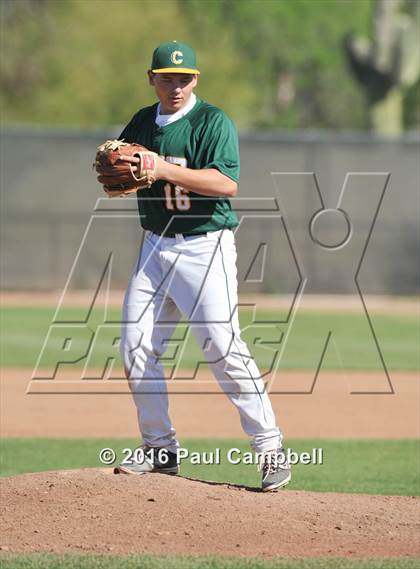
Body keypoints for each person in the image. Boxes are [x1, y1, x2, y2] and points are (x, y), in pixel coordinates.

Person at [113, 41, 290, 491]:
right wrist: (123, 167)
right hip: (155, 245)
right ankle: (160, 449)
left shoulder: (212, 121)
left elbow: (225, 183)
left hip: (203, 246)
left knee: (222, 348)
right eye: (167, 77)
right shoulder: (142, 121)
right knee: (135, 348)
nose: (176, 86)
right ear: (151, 78)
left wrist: (162, 170)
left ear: (196, 79)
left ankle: (271, 450)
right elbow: (125, 163)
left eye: (184, 77)